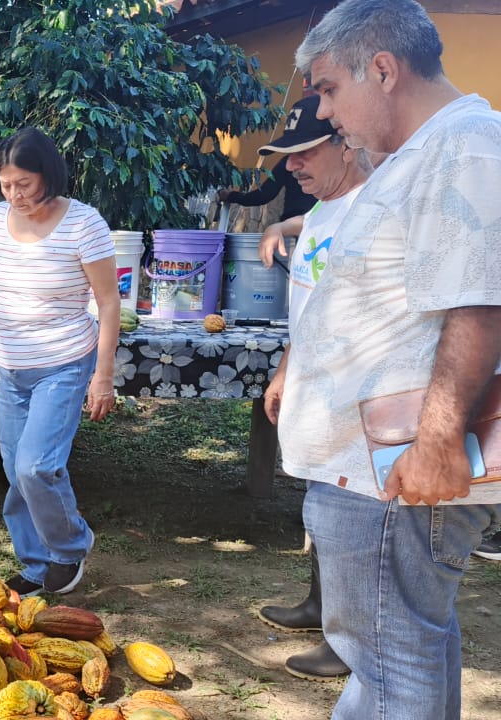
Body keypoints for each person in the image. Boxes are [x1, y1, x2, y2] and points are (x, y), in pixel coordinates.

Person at [285, 1, 501, 716]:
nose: (322, 109)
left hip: (392, 471)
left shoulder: (463, 144)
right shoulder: (424, 153)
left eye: (327, 88)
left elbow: (480, 303)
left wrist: (439, 441)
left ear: (382, 69)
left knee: (389, 664)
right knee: (398, 654)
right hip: (374, 469)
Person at [0, 128, 119, 597]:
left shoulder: (83, 223)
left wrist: (103, 374)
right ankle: (37, 565)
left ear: (48, 176)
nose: (15, 195)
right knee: (15, 472)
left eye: (25, 185)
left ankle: (71, 546)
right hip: (10, 368)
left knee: (37, 466)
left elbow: (109, 300)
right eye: (6, 184)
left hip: (64, 363)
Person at [250, 93, 372, 682]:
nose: (290, 167)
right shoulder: (325, 210)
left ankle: (350, 641)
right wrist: (283, 372)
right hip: (316, 385)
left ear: (346, 143)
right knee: (323, 509)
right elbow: (311, 310)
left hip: (358, 397)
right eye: (286, 156)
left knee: (350, 516)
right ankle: (323, 608)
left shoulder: (374, 209)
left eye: (303, 154)